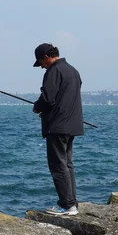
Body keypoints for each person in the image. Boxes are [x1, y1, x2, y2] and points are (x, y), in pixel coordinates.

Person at [32, 43, 84, 216]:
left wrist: (37, 107)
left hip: (57, 127)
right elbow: (66, 98)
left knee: (58, 166)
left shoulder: (53, 71)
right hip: (72, 125)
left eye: (41, 63)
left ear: (47, 57)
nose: (42, 67)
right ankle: (72, 204)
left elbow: (47, 98)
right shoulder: (73, 71)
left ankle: (67, 205)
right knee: (67, 165)